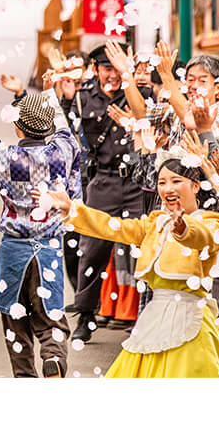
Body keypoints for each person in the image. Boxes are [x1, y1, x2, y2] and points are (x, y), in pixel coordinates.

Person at [38, 149, 219, 378]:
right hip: (153, 317)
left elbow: (204, 238)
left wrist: (183, 229)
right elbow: (114, 227)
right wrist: (73, 210)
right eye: (162, 182)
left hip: (191, 320)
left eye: (176, 181)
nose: (168, 188)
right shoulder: (156, 223)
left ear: (195, 186)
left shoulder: (213, 221)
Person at [0, 90, 82, 378]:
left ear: (17, 127)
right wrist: (49, 94)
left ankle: (24, 376)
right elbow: (64, 129)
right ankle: (53, 357)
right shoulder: (63, 149)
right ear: (48, 126)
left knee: (15, 321)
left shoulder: (4, 156)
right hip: (49, 247)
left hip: (13, 249)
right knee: (51, 318)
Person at [65, 41, 157, 340]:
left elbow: (149, 121)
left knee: (144, 248)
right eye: (107, 69)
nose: (113, 75)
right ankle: (86, 316)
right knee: (92, 249)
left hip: (137, 182)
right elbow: (70, 133)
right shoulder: (83, 97)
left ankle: (144, 315)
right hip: (103, 180)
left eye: (117, 68)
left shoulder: (139, 93)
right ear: (96, 70)